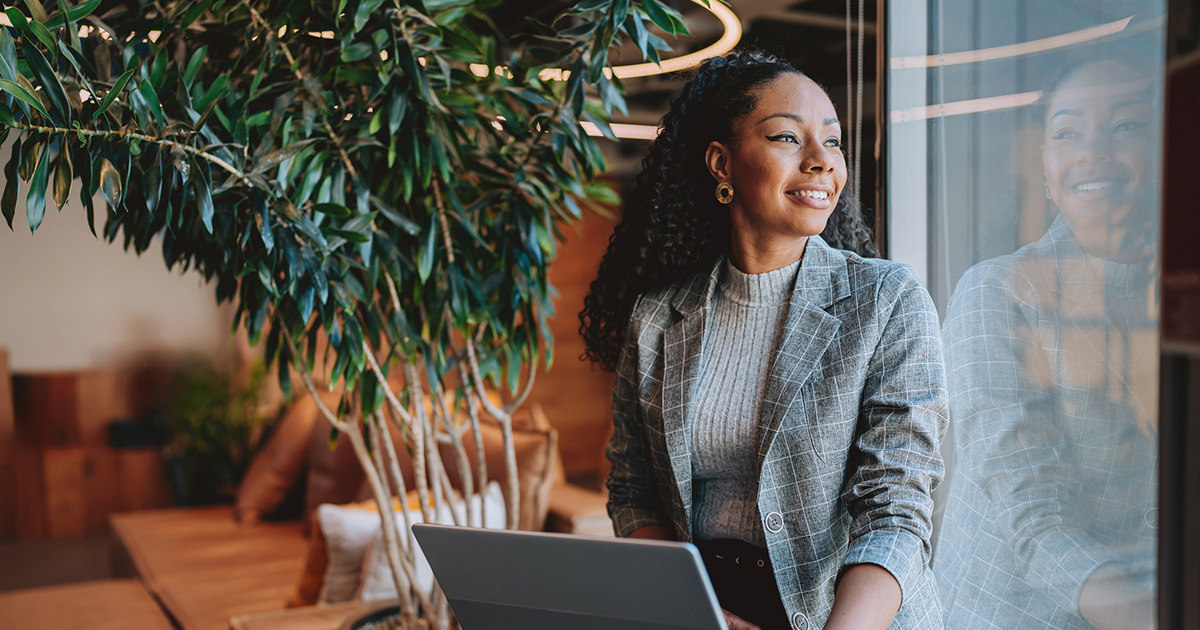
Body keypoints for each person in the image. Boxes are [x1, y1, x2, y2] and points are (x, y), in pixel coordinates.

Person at [580, 50, 947, 630]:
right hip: (708, 611)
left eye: (833, 141)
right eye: (786, 138)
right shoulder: (657, 318)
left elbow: (896, 511)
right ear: (722, 163)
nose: (822, 161)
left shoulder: (885, 301)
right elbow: (635, 494)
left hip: (850, 616)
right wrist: (703, 617)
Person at [934, 54, 1160, 630]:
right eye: (1066, 132)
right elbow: (1035, 519)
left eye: (1127, 125)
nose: (1093, 151)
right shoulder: (999, 290)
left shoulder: (1176, 294)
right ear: (1045, 171)